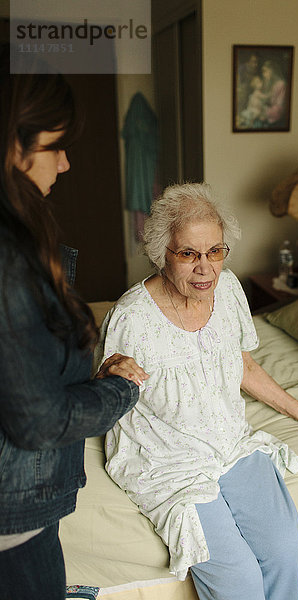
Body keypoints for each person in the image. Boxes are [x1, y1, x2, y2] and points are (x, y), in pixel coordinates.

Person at [96, 182, 298, 600]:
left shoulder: (229, 290)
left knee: (282, 548)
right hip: (167, 457)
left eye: (215, 251)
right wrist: (109, 373)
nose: (205, 268)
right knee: (238, 580)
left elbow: (241, 364)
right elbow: (105, 393)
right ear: (160, 253)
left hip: (229, 440)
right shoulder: (130, 317)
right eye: (188, 254)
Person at [0, 45, 140, 600]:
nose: (65, 164)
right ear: (13, 145)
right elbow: (37, 422)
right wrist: (117, 389)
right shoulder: (9, 258)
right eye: (55, 148)